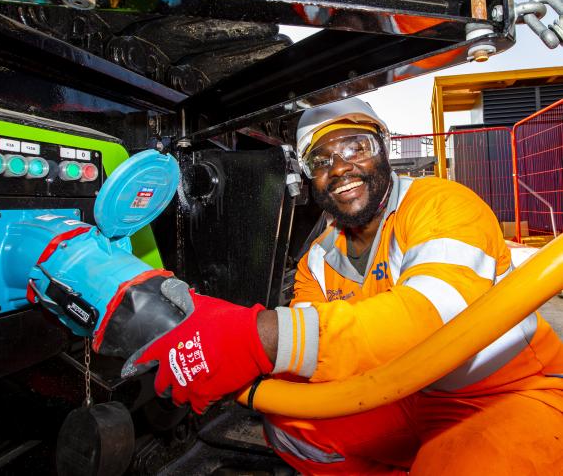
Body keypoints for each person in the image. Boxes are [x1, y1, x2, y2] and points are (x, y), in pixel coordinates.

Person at [133, 97, 563, 474]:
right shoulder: (317, 259)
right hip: (402, 395)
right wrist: (216, 339)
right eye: (320, 160)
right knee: (289, 426)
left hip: (506, 393)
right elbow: (307, 352)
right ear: (307, 177)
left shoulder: (441, 204)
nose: (340, 168)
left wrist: (254, 338)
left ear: (385, 150)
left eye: (357, 146)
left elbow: (438, 318)